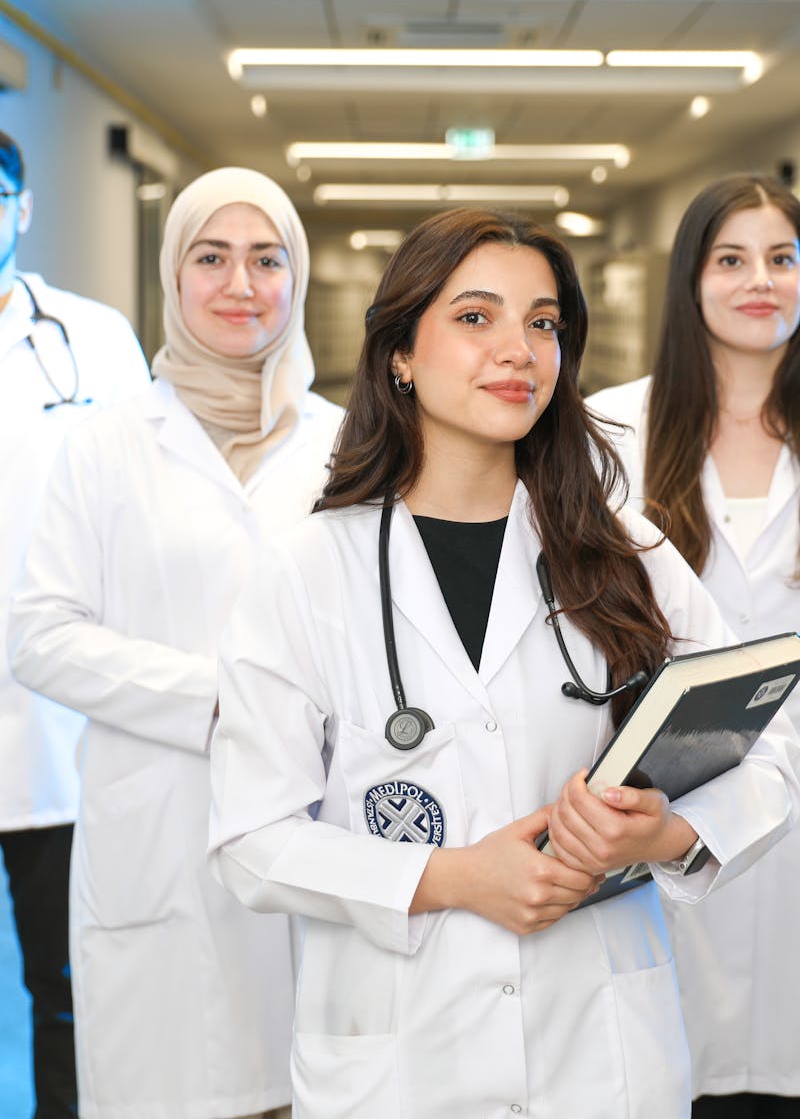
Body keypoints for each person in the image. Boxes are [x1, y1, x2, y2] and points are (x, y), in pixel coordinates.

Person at [205, 208, 800, 1119]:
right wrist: (452, 877)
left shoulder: (624, 552)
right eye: (476, 318)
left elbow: (766, 733)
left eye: (544, 322)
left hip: (602, 1051)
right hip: (401, 1058)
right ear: (401, 352)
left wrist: (667, 835)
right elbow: (251, 837)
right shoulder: (307, 571)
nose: (518, 349)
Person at [8, 166, 344, 1119]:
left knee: (307, 1086)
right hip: (159, 832)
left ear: (297, 275)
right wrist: (222, 697)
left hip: (313, 824)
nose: (242, 285)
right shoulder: (107, 444)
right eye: (212, 257)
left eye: (266, 259)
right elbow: (41, 636)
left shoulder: (351, 443)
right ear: (174, 273)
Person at [586, 174, 800, 1119]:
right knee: (677, 1071)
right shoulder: (614, 429)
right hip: (672, 798)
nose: (762, 280)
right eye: (732, 259)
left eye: (783, 258)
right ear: (691, 280)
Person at [0, 129, 150, 1118]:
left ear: (21, 205)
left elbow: (140, 520)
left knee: (65, 996)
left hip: (54, 731)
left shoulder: (91, 338)